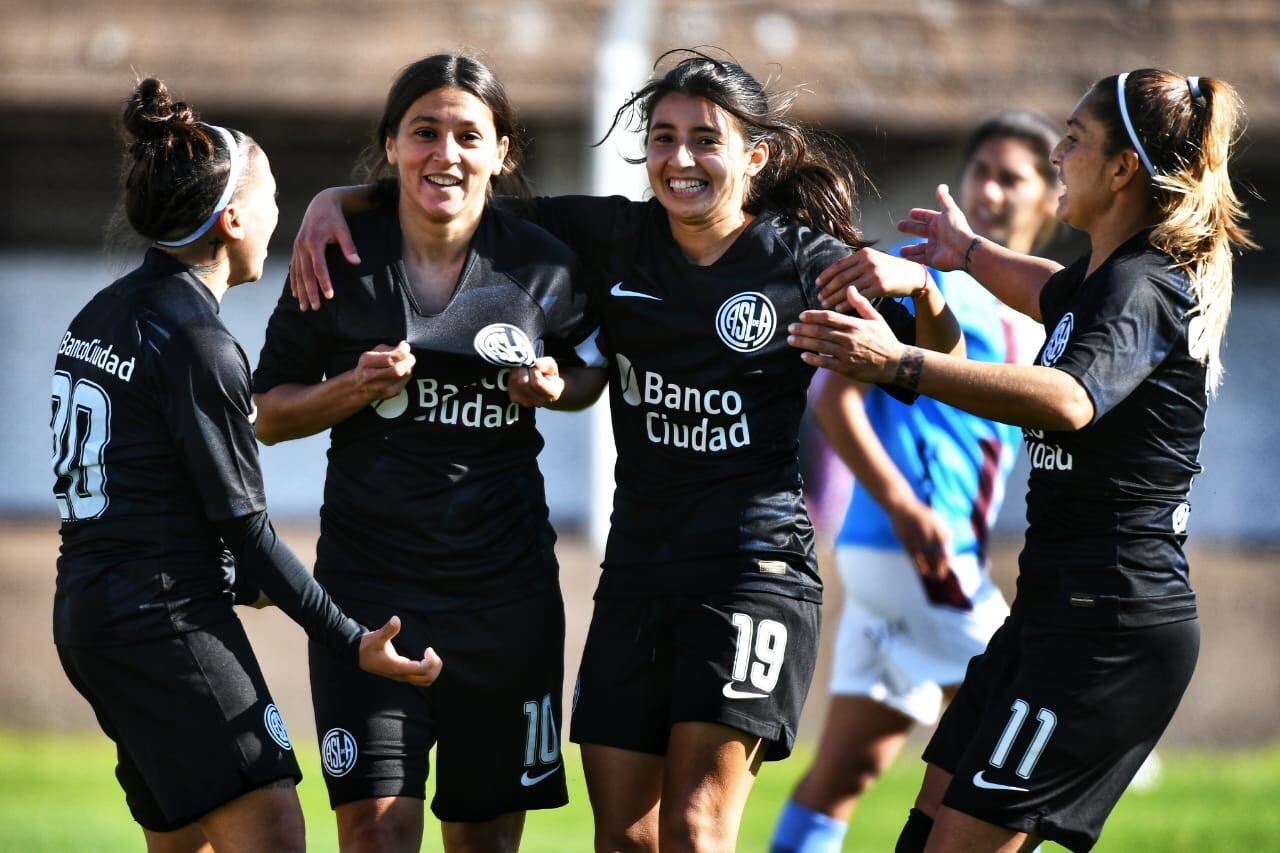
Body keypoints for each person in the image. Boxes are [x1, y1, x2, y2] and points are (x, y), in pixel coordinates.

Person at [291, 49, 964, 853]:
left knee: (693, 827)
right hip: (637, 572)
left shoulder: (804, 263)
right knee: (626, 839)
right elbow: (459, 189)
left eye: (705, 140)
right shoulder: (609, 237)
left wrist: (926, 295)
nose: (679, 159)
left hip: (753, 572)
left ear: (754, 156)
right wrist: (340, 197)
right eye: (663, 138)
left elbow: (937, 370)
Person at [788, 69, 1252, 852]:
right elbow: (1049, 288)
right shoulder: (1104, 278)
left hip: (1106, 633)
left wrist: (901, 362)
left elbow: (1069, 399)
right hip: (1046, 617)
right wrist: (967, 254)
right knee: (922, 829)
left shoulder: (1146, 285)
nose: (1057, 153)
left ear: (1121, 170)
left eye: (1072, 140)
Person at [51, 78, 440, 853]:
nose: (279, 218)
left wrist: (245, 583)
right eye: (271, 200)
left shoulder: (102, 314)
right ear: (231, 220)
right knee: (269, 824)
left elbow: (146, 487)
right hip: (160, 620)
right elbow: (243, 523)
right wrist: (347, 636)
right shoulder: (199, 339)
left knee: (185, 839)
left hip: (90, 614)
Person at [252, 54, 605, 853]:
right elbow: (268, 413)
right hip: (368, 593)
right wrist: (352, 388)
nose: (445, 153)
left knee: (482, 840)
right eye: (424, 132)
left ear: (502, 152)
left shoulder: (542, 263)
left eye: (468, 135)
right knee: (376, 834)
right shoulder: (336, 257)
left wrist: (556, 386)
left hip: (504, 597)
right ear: (391, 145)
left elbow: (592, 370)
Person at [770, 110, 1060, 853]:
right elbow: (834, 398)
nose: (990, 190)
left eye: (1012, 177)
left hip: (901, 561)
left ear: (1050, 198)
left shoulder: (1037, 316)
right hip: (914, 551)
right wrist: (905, 507)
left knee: (841, 772)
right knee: (1017, 730)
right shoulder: (935, 287)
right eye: (981, 171)